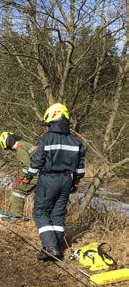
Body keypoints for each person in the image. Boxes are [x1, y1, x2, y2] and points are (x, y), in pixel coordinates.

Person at [23, 103, 85, 261]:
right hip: (66, 180)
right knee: (57, 214)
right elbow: (80, 167)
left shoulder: (45, 138)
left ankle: (51, 247)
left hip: (48, 179)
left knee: (41, 212)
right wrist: (75, 182)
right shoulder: (76, 141)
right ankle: (53, 247)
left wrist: (28, 176)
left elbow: (37, 160)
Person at [0, 131, 38, 218]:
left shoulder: (20, 148)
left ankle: (16, 217)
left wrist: (19, 180)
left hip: (34, 175)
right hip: (43, 173)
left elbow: (27, 167)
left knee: (18, 189)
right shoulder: (25, 144)